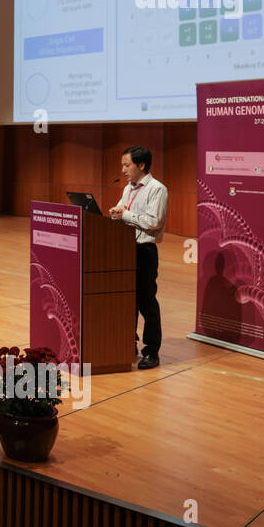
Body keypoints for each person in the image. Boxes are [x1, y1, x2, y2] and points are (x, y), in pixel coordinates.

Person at [109, 145, 169, 369]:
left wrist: (125, 214)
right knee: (127, 301)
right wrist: (117, 214)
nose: (123, 170)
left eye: (127, 165)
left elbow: (154, 222)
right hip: (125, 250)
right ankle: (128, 343)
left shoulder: (157, 189)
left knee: (147, 303)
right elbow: (126, 213)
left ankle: (152, 351)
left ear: (141, 165)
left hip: (144, 251)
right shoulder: (128, 188)